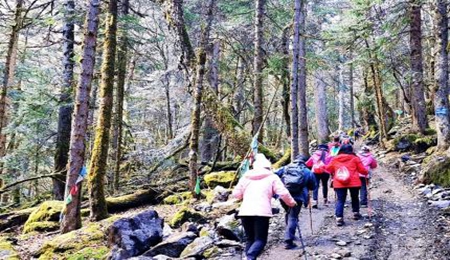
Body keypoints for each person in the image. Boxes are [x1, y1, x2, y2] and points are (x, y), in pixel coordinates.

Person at [233, 153, 296, 260]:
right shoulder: (272, 177)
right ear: (268, 166)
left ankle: (249, 257)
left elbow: (236, 194)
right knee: (260, 240)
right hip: (261, 213)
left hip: (245, 212)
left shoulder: (246, 176)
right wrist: (291, 203)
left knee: (250, 239)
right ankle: (250, 257)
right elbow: (283, 193)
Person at [275, 155, 316, 249]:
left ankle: (290, 233)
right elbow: (313, 186)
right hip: (298, 197)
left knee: (288, 213)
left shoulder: (285, 168)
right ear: (305, 161)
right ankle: (288, 240)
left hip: (284, 196)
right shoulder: (307, 171)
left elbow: (274, 176)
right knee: (293, 216)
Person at [324, 144, 368, 226]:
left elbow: (328, 169)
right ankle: (356, 213)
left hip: (339, 182)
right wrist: (366, 172)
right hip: (354, 182)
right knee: (354, 198)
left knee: (340, 200)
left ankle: (339, 218)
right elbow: (362, 170)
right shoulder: (355, 158)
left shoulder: (335, 159)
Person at [305, 144, 332, 208]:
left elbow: (308, 163)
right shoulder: (329, 155)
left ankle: (315, 201)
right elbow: (331, 164)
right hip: (325, 172)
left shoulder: (315, 154)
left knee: (316, 186)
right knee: (325, 185)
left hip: (315, 172)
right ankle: (325, 200)